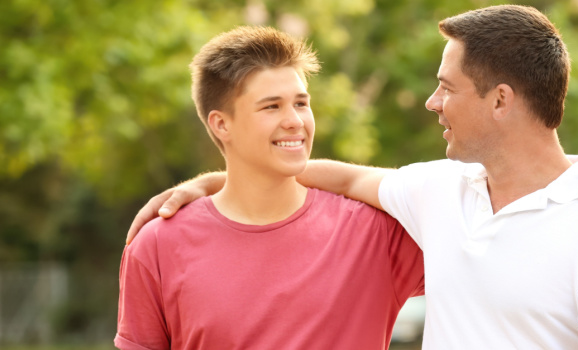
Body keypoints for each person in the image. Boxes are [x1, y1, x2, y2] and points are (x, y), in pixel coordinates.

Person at [124, 6, 578, 350]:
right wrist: (213, 184)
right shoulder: (439, 192)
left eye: (447, 87)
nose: (432, 102)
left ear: (500, 100)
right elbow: (343, 176)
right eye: (272, 106)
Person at [115, 26, 427, 350]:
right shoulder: (157, 245)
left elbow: (458, 198)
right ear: (221, 124)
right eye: (271, 106)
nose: (295, 121)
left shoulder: (377, 233)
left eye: (301, 103)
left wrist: (213, 181)